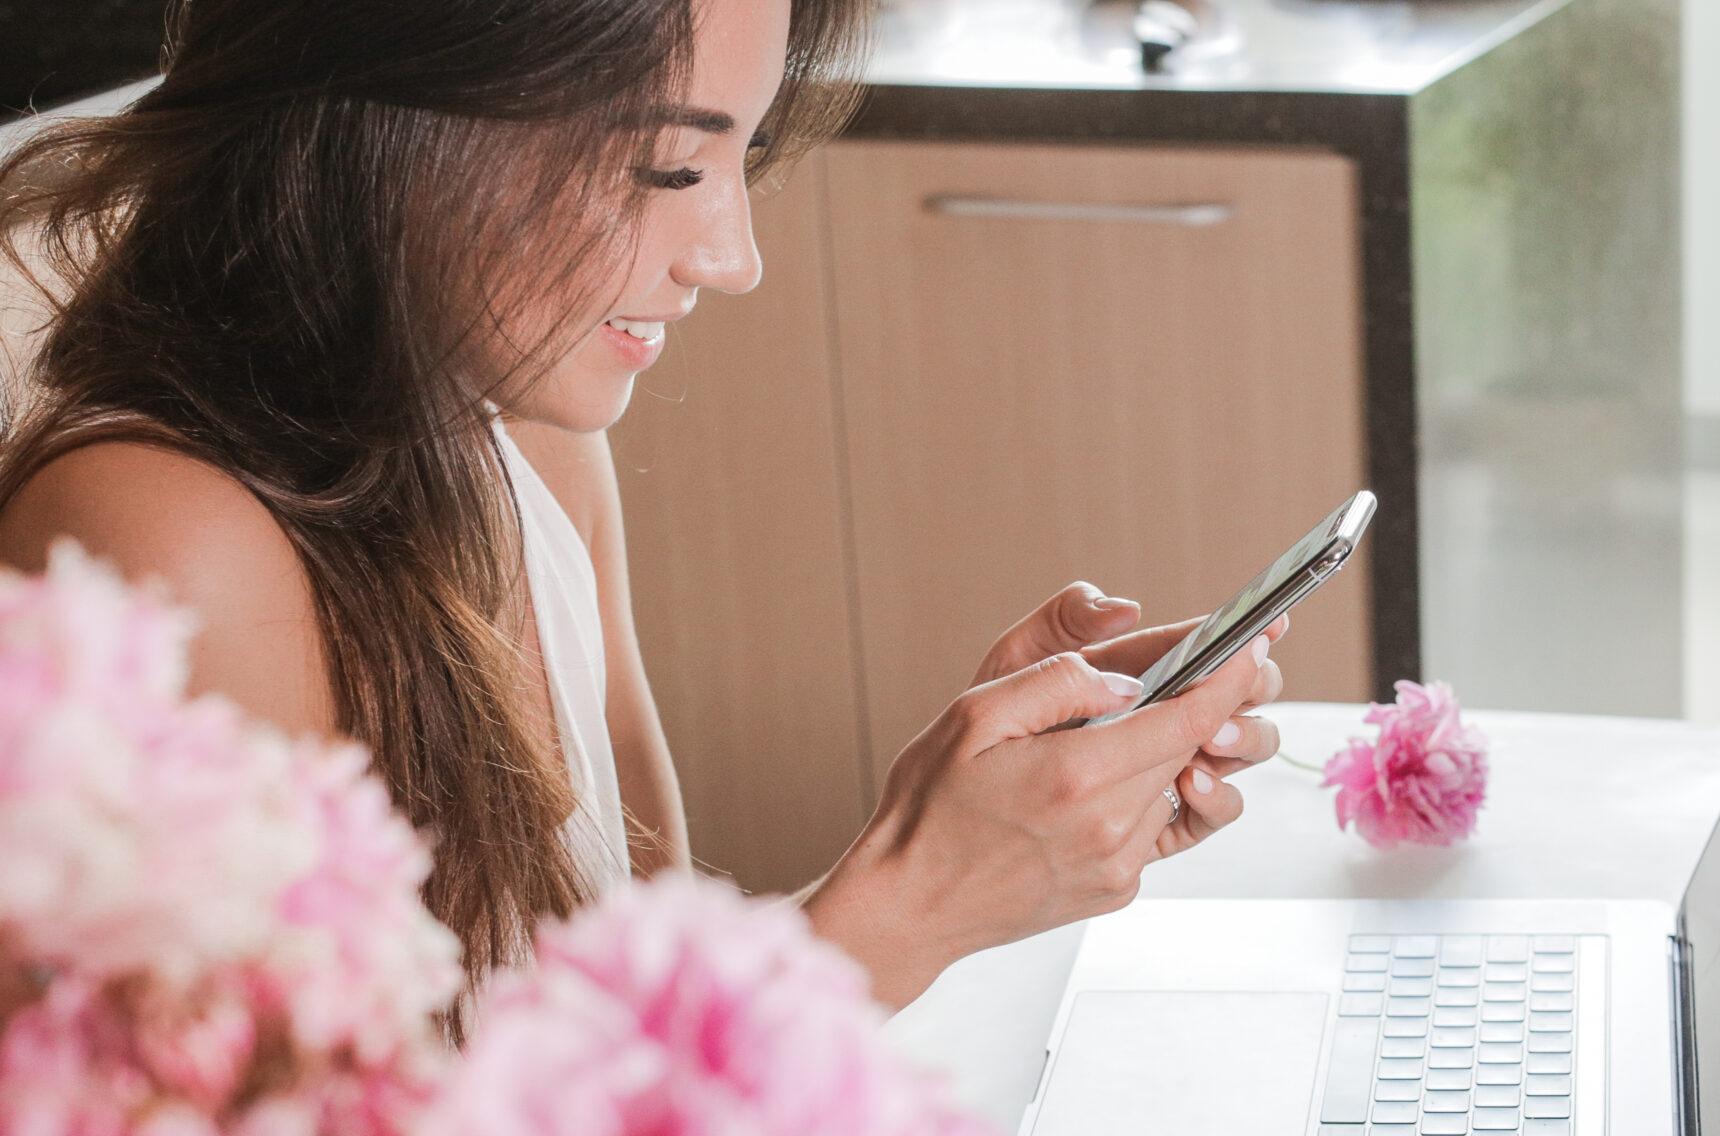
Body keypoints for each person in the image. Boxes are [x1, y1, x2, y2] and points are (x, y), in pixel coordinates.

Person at [0, 0, 1284, 1011]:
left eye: (745, 156)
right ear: (390, 119)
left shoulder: (522, 439)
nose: (730, 256)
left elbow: (630, 1008)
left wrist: (960, 841)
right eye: (668, 167)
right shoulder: (161, 548)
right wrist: (914, 901)